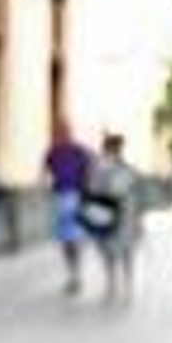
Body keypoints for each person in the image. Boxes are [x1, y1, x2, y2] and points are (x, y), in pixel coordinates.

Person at [85, 132, 141, 300]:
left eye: (117, 147)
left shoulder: (126, 168)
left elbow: (135, 190)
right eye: (113, 147)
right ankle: (114, 284)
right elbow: (93, 189)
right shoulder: (100, 167)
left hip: (124, 213)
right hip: (109, 211)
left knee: (124, 250)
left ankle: (122, 285)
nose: (116, 150)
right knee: (110, 250)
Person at [42, 120, 93, 295]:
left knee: (75, 238)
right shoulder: (53, 151)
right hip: (59, 197)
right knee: (65, 239)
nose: (61, 133)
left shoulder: (79, 151)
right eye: (59, 131)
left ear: (70, 131)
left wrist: (86, 193)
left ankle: (76, 274)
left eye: (64, 130)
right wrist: (47, 188)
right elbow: (45, 171)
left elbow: (88, 171)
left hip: (75, 196)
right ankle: (72, 274)